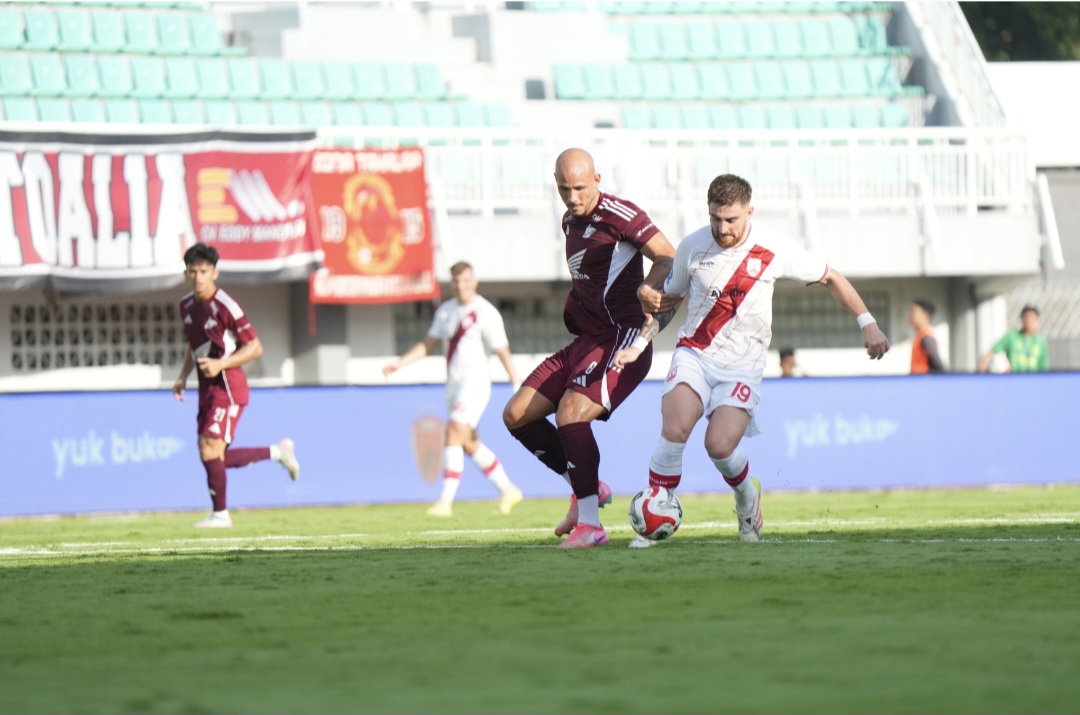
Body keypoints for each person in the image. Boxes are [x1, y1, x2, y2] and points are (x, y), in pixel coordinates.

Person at [611, 173, 890, 547]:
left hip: (743, 366)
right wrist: (642, 343)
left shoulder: (774, 247)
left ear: (749, 212)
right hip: (694, 352)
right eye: (715, 218)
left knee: (719, 445)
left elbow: (830, 277)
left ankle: (747, 498)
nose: (722, 228)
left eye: (731, 220)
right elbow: (668, 304)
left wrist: (867, 322)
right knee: (675, 427)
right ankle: (656, 516)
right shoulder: (693, 246)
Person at [502, 147, 677, 549]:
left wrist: (650, 286)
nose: (573, 197)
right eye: (564, 189)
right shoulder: (569, 220)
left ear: (597, 180)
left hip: (622, 338)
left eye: (580, 187)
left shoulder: (622, 214)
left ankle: (592, 526)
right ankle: (585, 487)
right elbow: (592, 280)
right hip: (586, 339)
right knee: (516, 415)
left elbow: (668, 254)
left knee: (570, 415)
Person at [173, 243, 299, 529]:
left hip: (228, 388)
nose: (197, 277)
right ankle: (277, 452)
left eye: (203, 271)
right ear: (185, 274)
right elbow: (194, 344)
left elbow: (255, 347)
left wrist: (220, 365)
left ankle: (221, 515)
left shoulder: (225, 306)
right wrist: (183, 375)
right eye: (192, 271)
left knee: (209, 450)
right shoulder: (186, 305)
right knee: (213, 455)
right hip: (207, 390)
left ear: (215, 273)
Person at [384, 261, 524, 517]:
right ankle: (509, 490)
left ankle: (445, 502)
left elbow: (501, 348)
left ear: (475, 281)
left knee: (452, 432)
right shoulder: (446, 311)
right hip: (454, 385)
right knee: (469, 443)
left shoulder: (486, 312)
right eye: (457, 281)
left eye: (466, 280)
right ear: (453, 283)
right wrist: (399, 364)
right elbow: (429, 344)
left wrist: (515, 380)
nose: (462, 285)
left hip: (476, 384)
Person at [977, 305, 1049, 373]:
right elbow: (991, 353)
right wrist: (980, 375)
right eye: (1026, 317)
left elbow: (1043, 368)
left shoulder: (1041, 342)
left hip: (1032, 381)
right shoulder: (1011, 336)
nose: (1029, 321)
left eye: (1032, 318)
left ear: (1038, 320)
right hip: (1013, 379)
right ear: (1021, 319)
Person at [908, 299, 946, 374]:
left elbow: (937, 363)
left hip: (923, 381)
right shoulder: (920, 335)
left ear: (926, 315)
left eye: (913, 312)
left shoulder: (926, 336)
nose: (910, 315)